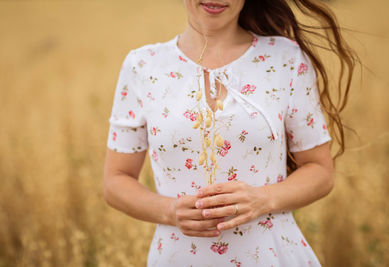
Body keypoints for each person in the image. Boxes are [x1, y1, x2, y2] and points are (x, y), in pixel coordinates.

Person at [103, 0, 358, 266]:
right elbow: (115, 181)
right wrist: (170, 212)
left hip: (271, 256)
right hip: (177, 257)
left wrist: (263, 200)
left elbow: (320, 170)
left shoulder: (286, 59)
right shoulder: (143, 66)